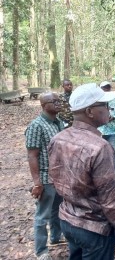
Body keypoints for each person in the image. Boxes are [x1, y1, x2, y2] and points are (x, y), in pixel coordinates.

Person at [48, 83, 115, 259]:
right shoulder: (100, 148)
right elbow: (110, 201)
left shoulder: (58, 139)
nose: (109, 109)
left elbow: (56, 178)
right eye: (104, 105)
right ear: (90, 112)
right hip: (94, 230)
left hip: (67, 220)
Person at [25, 92, 64, 260]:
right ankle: (41, 251)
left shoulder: (59, 122)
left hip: (60, 177)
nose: (58, 103)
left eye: (58, 100)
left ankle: (56, 237)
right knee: (42, 216)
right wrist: (37, 183)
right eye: (53, 101)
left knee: (58, 211)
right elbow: (32, 155)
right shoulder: (36, 126)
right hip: (46, 178)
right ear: (43, 105)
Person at [98, 81, 115, 174]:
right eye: (104, 88)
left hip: (112, 130)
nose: (106, 89)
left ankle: (114, 172)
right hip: (99, 130)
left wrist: (114, 117)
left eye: (108, 88)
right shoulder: (97, 100)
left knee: (113, 151)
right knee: (99, 152)